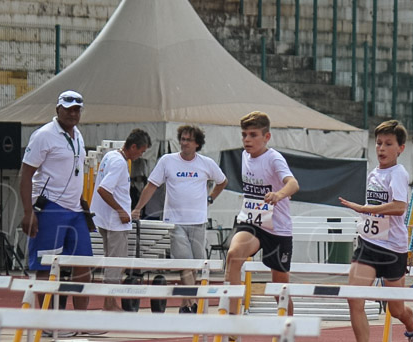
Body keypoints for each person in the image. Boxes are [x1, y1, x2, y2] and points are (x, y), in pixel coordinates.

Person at [339, 120, 413, 342]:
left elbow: (399, 207)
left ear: (400, 148)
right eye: (378, 143)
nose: (381, 148)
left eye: (388, 144)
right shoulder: (374, 173)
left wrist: (366, 209)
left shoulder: (398, 174)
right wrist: (366, 217)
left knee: (395, 309)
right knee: (354, 296)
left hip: (392, 249)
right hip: (368, 244)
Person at [132, 125, 227, 313]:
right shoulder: (167, 161)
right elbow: (151, 185)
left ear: (197, 144)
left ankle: (185, 305)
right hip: (175, 221)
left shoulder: (206, 163)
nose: (184, 143)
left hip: (198, 220)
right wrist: (138, 208)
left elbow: (222, 181)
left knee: (195, 265)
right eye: (182, 139)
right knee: (184, 263)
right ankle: (192, 303)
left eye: (188, 140)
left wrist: (211, 198)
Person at [20, 90, 93, 322]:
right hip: (50, 206)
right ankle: (48, 321)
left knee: (84, 265)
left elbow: (75, 172)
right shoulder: (43, 135)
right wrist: (28, 212)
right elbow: (25, 174)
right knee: (46, 265)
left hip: (75, 209)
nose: (73, 113)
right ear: (57, 109)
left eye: (77, 109)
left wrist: (82, 201)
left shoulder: (78, 135)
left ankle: (80, 321)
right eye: (68, 108)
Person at [225, 111, 298, 324]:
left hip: (277, 229)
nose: (247, 140)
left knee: (279, 289)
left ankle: (287, 333)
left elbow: (293, 184)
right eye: (244, 135)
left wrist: (279, 194)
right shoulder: (244, 155)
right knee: (234, 254)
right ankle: (232, 318)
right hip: (252, 222)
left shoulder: (274, 158)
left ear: (267, 137)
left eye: (253, 135)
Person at [90, 129, 152, 311]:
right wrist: (120, 210)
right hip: (114, 222)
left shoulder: (111, 156)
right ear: (133, 147)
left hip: (105, 219)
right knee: (116, 262)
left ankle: (109, 302)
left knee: (112, 261)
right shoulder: (119, 163)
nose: (141, 155)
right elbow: (103, 189)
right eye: (141, 151)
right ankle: (109, 303)